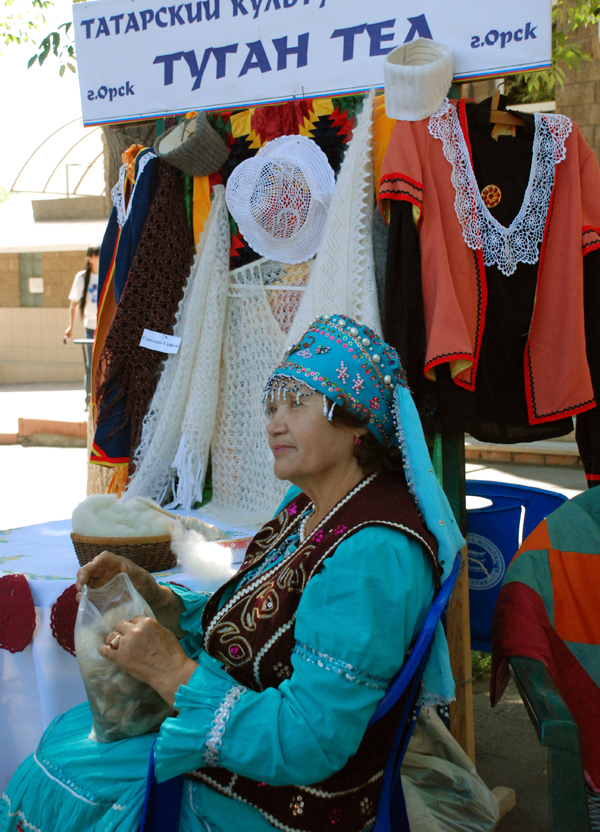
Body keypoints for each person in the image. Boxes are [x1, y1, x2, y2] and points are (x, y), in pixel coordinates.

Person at [0, 314, 464, 832]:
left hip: (287, 797)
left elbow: (310, 739)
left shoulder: (373, 553)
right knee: (64, 738)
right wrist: (160, 598)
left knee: (62, 771)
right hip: (255, 738)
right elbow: (258, 620)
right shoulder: (312, 509)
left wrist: (173, 673)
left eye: (296, 403)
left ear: (356, 421)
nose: (274, 423)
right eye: (271, 407)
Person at [64, 246, 100, 399]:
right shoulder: (82, 278)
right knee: (91, 364)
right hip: (91, 327)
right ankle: (90, 397)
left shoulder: (107, 273)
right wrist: (71, 327)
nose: (99, 257)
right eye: (96, 255)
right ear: (90, 258)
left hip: (105, 326)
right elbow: (74, 304)